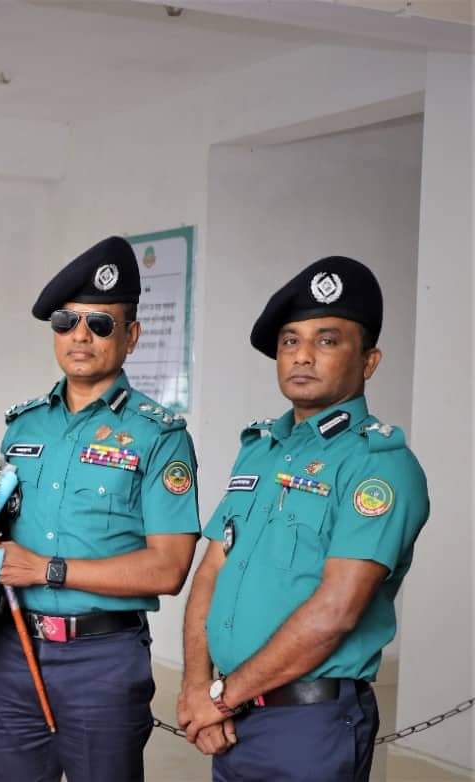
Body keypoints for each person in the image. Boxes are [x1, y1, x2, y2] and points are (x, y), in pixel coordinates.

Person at [177, 256, 429, 781]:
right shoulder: (261, 451)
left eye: (328, 340)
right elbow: (211, 572)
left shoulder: (378, 466)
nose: (303, 356)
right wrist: (196, 686)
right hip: (235, 714)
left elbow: (336, 611)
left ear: (370, 360)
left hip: (309, 726)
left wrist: (220, 700)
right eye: (290, 341)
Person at [0, 236, 201, 781]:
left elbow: (170, 568)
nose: (80, 336)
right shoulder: (23, 425)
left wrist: (49, 570)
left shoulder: (159, 435)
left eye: (100, 324)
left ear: (130, 336)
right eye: (67, 321)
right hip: (14, 649)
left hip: (102, 659)